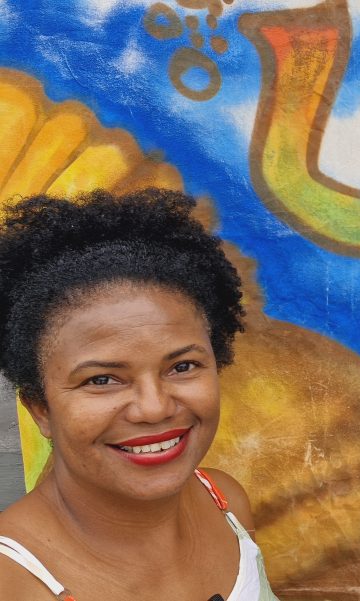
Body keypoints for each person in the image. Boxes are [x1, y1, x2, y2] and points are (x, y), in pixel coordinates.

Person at [0, 189, 279, 600]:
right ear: (40, 408)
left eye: (182, 367)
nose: (154, 408)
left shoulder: (225, 501)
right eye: (102, 380)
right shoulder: (15, 580)